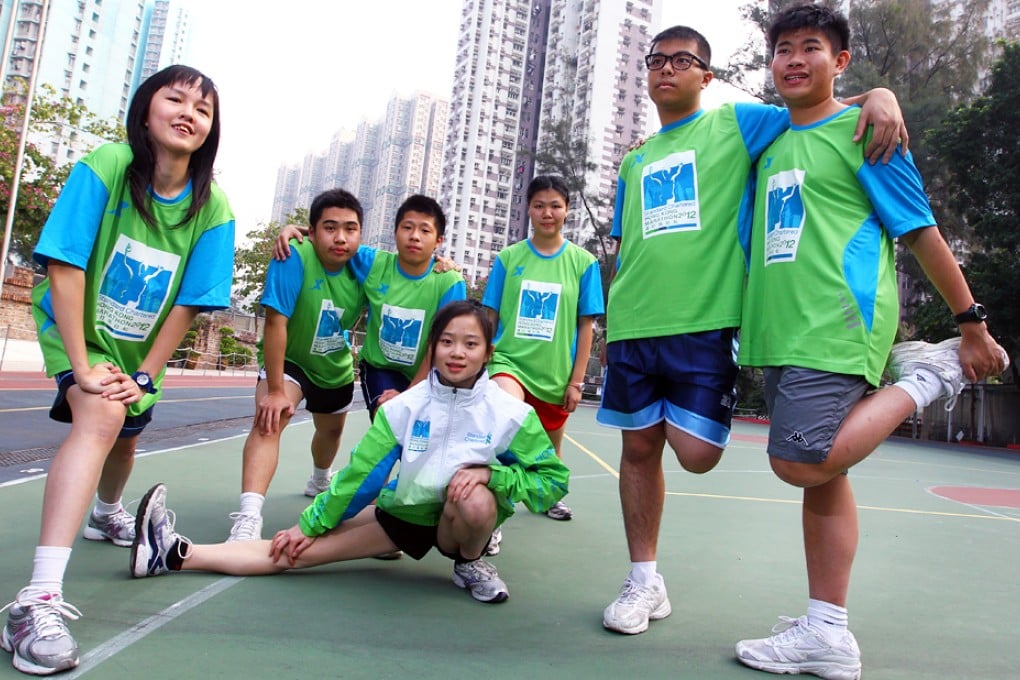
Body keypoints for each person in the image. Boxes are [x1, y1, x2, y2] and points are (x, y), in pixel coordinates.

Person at [596, 25, 908, 636]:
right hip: (632, 324)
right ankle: (643, 580)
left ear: (705, 77)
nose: (665, 70)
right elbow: (627, 243)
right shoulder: (633, 161)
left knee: (697, 456)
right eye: (656, 61)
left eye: (681, 61)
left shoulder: (740, 124)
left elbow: (813, 105)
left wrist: (879, 95)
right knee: (637, 449)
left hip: (706, 324)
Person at [733, 6, 1009, 679]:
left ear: (842, 60)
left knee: (802, 462)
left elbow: (919, 231)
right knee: (825, 478)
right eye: (785, 50)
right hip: (783, 328)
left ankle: (928, 376)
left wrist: (970, 322)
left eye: (813, 48)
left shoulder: (866, 135)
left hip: (836, 323)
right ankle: (827, 632)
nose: (796, 60)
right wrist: (876, 94)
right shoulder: (766, 135)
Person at [1, 65, 234, 676]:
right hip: (74, 332)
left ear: (212, 129)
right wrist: (80, 366)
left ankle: (108, 511)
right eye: (175, 98)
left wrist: (148, 378)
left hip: (140, 349)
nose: (188, 112)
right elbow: (66, 265)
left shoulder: (214, 208)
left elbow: (190, 301)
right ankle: (37, 600)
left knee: (128, 430)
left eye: (202, 108)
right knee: (101, 414)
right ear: (146, 109)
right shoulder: (105, 165)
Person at [129, 301, 569, 606]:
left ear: (487, 352)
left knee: (474, 498)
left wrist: (495, 477)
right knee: (295, 549)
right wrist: (309, 525)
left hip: (463, 523)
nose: (457, 352)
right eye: (447, 341)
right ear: (432, 346)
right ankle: (172, 553)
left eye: (470, 344)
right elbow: (361, 478)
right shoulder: (404, 408)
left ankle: (468, 564)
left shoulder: (511, 414)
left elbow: (552, 483)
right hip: (407, 519)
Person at [226, 188, 368, 543]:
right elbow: (276, 323)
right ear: (313, 230)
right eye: (330, 227)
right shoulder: (292, 255)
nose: (340, 237)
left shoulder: (367, 265)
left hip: (334, 365)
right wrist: (274, 391)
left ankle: (320, 478)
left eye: (350, 229)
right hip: (291, 361)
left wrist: (443, 265)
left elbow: (409, 268)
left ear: (360, 234)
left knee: (331, 432)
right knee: (269, 420)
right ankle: (248, 516)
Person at [481, 174, 604, 526]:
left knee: (549, 451)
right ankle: (493, 511)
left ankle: (549, 497)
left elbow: (586, 326)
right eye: (539, 205)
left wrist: (576, 382)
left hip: (554, 373)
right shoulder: (508, 258)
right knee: (506, 421)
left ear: (567, 210)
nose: (547, 212)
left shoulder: (584, 264)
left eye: (555, 205)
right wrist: (482, 360)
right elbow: (490, 315)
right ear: (528, 208)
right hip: (509, 362)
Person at [274, 195, 466, 420]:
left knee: (419, 440)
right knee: (389, 419)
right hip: (381, 368)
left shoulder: (449, 282)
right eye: (407, 227)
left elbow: (441, 344)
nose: (414, 236)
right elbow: (340, 240)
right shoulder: (373, 263)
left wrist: (412, 393)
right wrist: (294, 229)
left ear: (438, 241)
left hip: (429, 373)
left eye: (425, 231)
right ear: (395, 232)